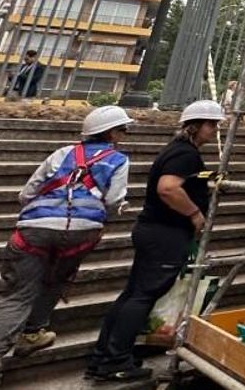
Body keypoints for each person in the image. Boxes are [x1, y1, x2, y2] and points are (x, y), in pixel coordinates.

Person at [0, 106, 133, 388]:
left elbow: (28, 191)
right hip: (81, 233)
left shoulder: (62, 153)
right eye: (122, 130)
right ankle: (33, 332)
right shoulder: (117, 160)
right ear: (110, 133)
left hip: (34, 230)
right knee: (54, 280)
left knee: (17, 294)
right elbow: (113, 200)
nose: (124, 135)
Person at [86, 99, 224, 382]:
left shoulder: (179, 151)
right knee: (142, 296)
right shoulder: (184, 154)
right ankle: (115, 360)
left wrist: (208, 180)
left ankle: (105, 356)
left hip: (154, 231)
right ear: (196, 126)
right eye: (211, 125)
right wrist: (196, 214)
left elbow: (181, 180)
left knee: (133, 294)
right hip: (165, 233)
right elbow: (169, 188)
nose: (214, 131)